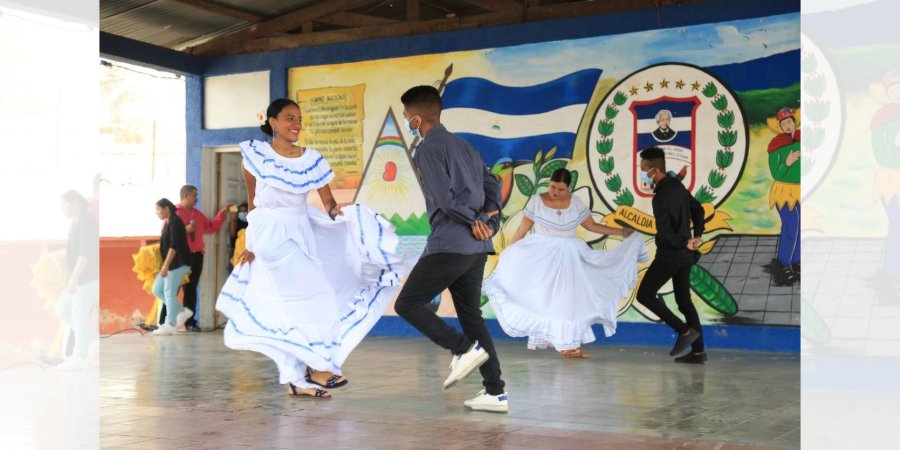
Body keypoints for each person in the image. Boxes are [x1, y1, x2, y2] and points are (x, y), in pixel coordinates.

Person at [215, 98, 405, 399]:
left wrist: (341, 215)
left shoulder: (312, 159)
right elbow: (253, 204)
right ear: (272, 122)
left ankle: (296, 379)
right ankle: (319, 368)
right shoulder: (254, 156)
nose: (296, 124)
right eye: (289, 118)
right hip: (270, 235)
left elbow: (327, 202)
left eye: (299, 119)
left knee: (299, 305)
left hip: (301, 229)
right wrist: (249, 243)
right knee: (313, 295)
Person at [394, 85, 508, 413]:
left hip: (451, 243)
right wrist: (488, 218)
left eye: (406, 116)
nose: (406, 121)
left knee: (408, 303)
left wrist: (473, 218)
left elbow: (444, 200)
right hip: (476, 247)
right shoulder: (465, 146)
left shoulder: (428, 149)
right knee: (472, 317)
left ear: (416, 119)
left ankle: (460, 349)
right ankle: (495, 391)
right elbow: (493, 184)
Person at [483, 169, 647, 359]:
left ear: (568, 188)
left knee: (568, 300)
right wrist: (509, 252)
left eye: (560, 189)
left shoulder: (576, 202)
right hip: (542, 255)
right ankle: (560, 342)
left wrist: (621, 232)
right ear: (549, 182)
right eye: (553, 187)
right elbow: (523, 228)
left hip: (571, 257)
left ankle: (568, 344)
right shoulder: (537, 201)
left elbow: (592, 226)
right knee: (546, 300)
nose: (555, 192)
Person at [634, 147, 707, 364]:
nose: (642, 172)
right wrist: (697, 236)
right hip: (686, 254)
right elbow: (698, 209)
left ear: (654, 171)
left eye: (643, 168)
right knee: (684, 301)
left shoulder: (661, 197)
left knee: (645, 295)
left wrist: (684, 241)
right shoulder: (678, 186)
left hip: (670, 256)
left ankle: (684, 331)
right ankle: (698, 353)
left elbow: (665, 234)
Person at [161, 185, 232, 331]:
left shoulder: (198, 215)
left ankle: (189, 322)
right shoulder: (173, 213)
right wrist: (185, 230)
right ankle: (164, 321)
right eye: (195, 195)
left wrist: (222, 214)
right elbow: (165, 234)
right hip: (178, 257)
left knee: (191, 289)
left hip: (196, 256)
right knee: (172, 289)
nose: (197, 198)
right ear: (186, 196)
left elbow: (211, 227)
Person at [55, 190, 100, 370]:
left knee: (78, 315)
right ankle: (92, 340)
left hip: (85, 277)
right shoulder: (76, 222)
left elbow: (85, 253)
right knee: (63, 310)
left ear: (75, 203)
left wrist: (74, 278)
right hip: (76, 278)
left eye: (64, 205)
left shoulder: (87, 222)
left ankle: (80, 355)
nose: (62, 209)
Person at [767, 107, 801, 286]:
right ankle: (783, 263)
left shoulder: (803, 139)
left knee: (801, 225)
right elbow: (776, 173)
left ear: (795, 122)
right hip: (783, 191)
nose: (787, 126)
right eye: (783, 123)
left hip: (800, 190)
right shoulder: (776, 145)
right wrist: (787, 163)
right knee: (791, 224)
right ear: (779, 126)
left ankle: (797, 261)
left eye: (789, 121)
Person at [151, 198, 195, 336]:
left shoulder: (176, 222)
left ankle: (170, 323)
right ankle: (181, 312)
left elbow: (174, 246)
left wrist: (165, 266)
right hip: (171, 264)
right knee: (157, 289)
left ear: (166, 208)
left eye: (158, 209)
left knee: (169, 292)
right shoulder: (168, 223)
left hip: (178, 263)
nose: (156, 213)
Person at [227, 203, 249, 272]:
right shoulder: (235, 222)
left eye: (245, 211)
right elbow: (232, 234)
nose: (243, 213)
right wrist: (233, 213)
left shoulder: (251, 222)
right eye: (241, 211)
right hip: (235, 252)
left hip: (248, 252)